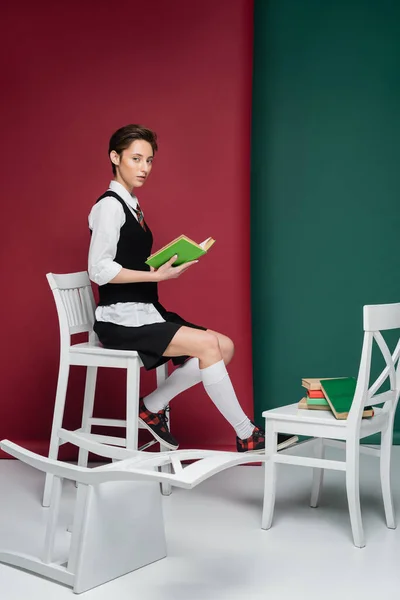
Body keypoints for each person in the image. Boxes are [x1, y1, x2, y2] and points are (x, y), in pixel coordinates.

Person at [88, 124, 297, 453]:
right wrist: (156, 276)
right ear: (115, 157)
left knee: (224, 347)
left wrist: (161, 265)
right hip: (119, 320)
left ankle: (151, 407)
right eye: (136, 159)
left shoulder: (132, 204)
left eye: (150, 160)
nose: (144, 168)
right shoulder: (109, 206)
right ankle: (247, 434)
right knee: (208, 347)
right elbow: (98, 269)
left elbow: (129, 259)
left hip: (144, 311)